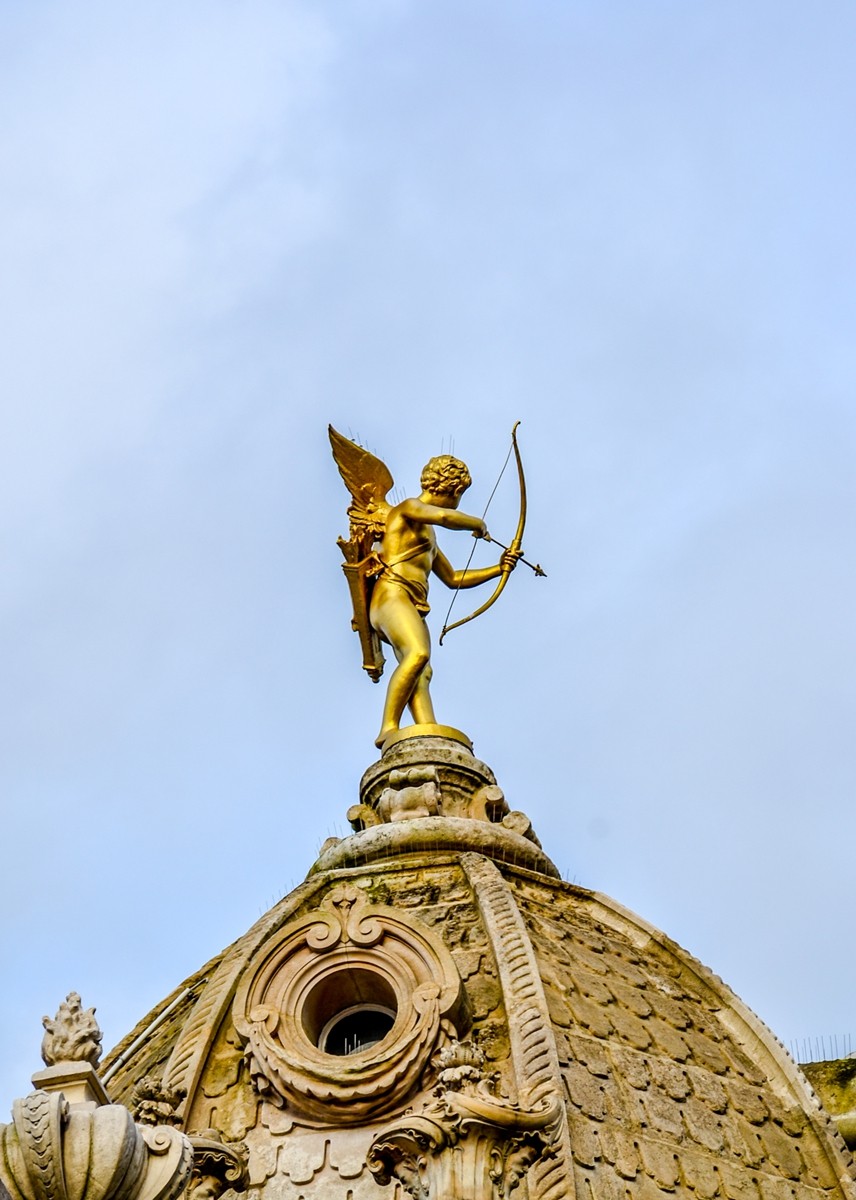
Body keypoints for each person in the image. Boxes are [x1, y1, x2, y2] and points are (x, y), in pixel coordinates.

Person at [369, 453, 519, 747]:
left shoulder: (429, 536)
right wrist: (476, 523)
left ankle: (427, 728)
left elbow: (452, 578)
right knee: (417, 654)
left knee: (422, 670)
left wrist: (499, 569)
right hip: (391, 596)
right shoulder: (408, 508)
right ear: (454, 489)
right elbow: (444, 517)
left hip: (411, 604)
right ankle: (388, 727)